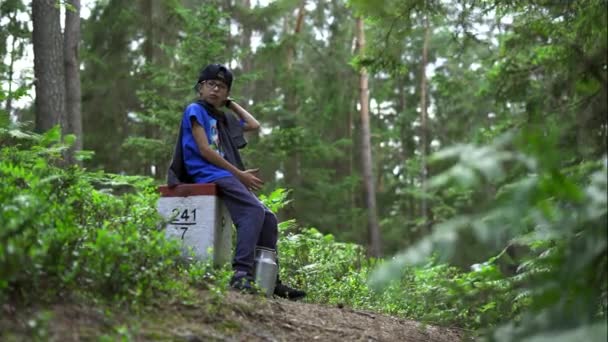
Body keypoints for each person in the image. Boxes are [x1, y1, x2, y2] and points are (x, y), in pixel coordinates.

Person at [176, 63, 305, 300]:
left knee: (268, 217)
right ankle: (240, 273)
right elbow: (204, 150)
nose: (216, 89)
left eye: (222, 87)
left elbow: (254, 125)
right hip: (206, 171)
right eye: (211, 84)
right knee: (253, 210)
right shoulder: (195, 110)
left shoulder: (222, 118)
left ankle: (268, 278)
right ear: (200, 88)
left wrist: (230, 103)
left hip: (222, 173)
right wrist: (239, 174)